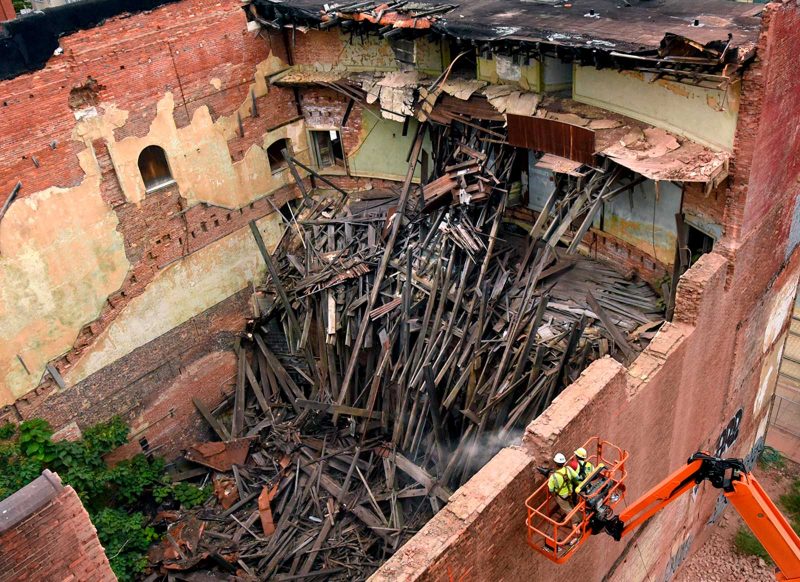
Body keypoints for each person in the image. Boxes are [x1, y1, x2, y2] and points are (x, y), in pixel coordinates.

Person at [548, 452, 580, 527]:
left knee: (566, 508)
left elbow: (551, 489)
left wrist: (554, 494)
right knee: (571, 504)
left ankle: (576, 521)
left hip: (562, 496)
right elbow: (577, 478)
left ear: (556, 463)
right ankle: (579, 514)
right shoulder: (568, 469)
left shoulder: (553, 477)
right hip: (570, 492)